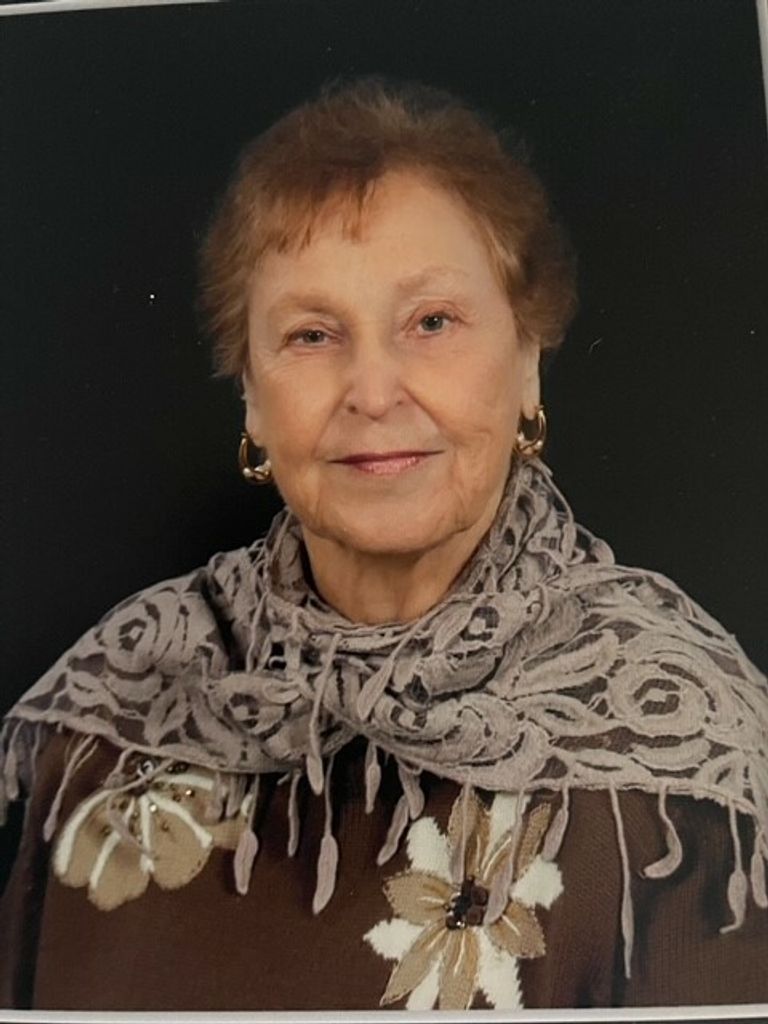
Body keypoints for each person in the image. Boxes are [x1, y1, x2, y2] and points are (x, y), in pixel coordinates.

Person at [1, 74, 767, 1012]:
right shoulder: (104, 716)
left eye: (431, 322)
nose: (372, 390)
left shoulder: (686, 774)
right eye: (312, 334)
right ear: (250, 395)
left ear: (528, 362)